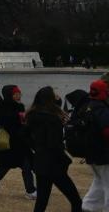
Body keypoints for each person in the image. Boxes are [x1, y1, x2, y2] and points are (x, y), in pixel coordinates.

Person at [27, 85, 83, 212]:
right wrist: (65, 159)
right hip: (54, 164)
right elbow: (54, 143)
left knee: (42, 202)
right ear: (50, 99)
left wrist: (36, 148)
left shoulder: (32, 115)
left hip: (41, 162)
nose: (58, 96)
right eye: (55, 94)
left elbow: (25, 136)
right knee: (75, 200)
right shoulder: (52, 119)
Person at [0, 85, 36, 199]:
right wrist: (19, 118)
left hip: (20, 142)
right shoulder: (3, 107)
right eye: (16, 94)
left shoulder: (20, 106)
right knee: (6, 165)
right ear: (10, 95)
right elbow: (6, 123)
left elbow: (22, 123)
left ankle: (30, 190)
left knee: (24, 165)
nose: (19, 96)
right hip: (10, 141)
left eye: (19, 93)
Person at [81, 79, 109, 212]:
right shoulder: (101, 109)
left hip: (91, 153)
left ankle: (88, 206)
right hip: (103, 153)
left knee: (99, 182)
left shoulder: (87, 107)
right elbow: (106, 131)